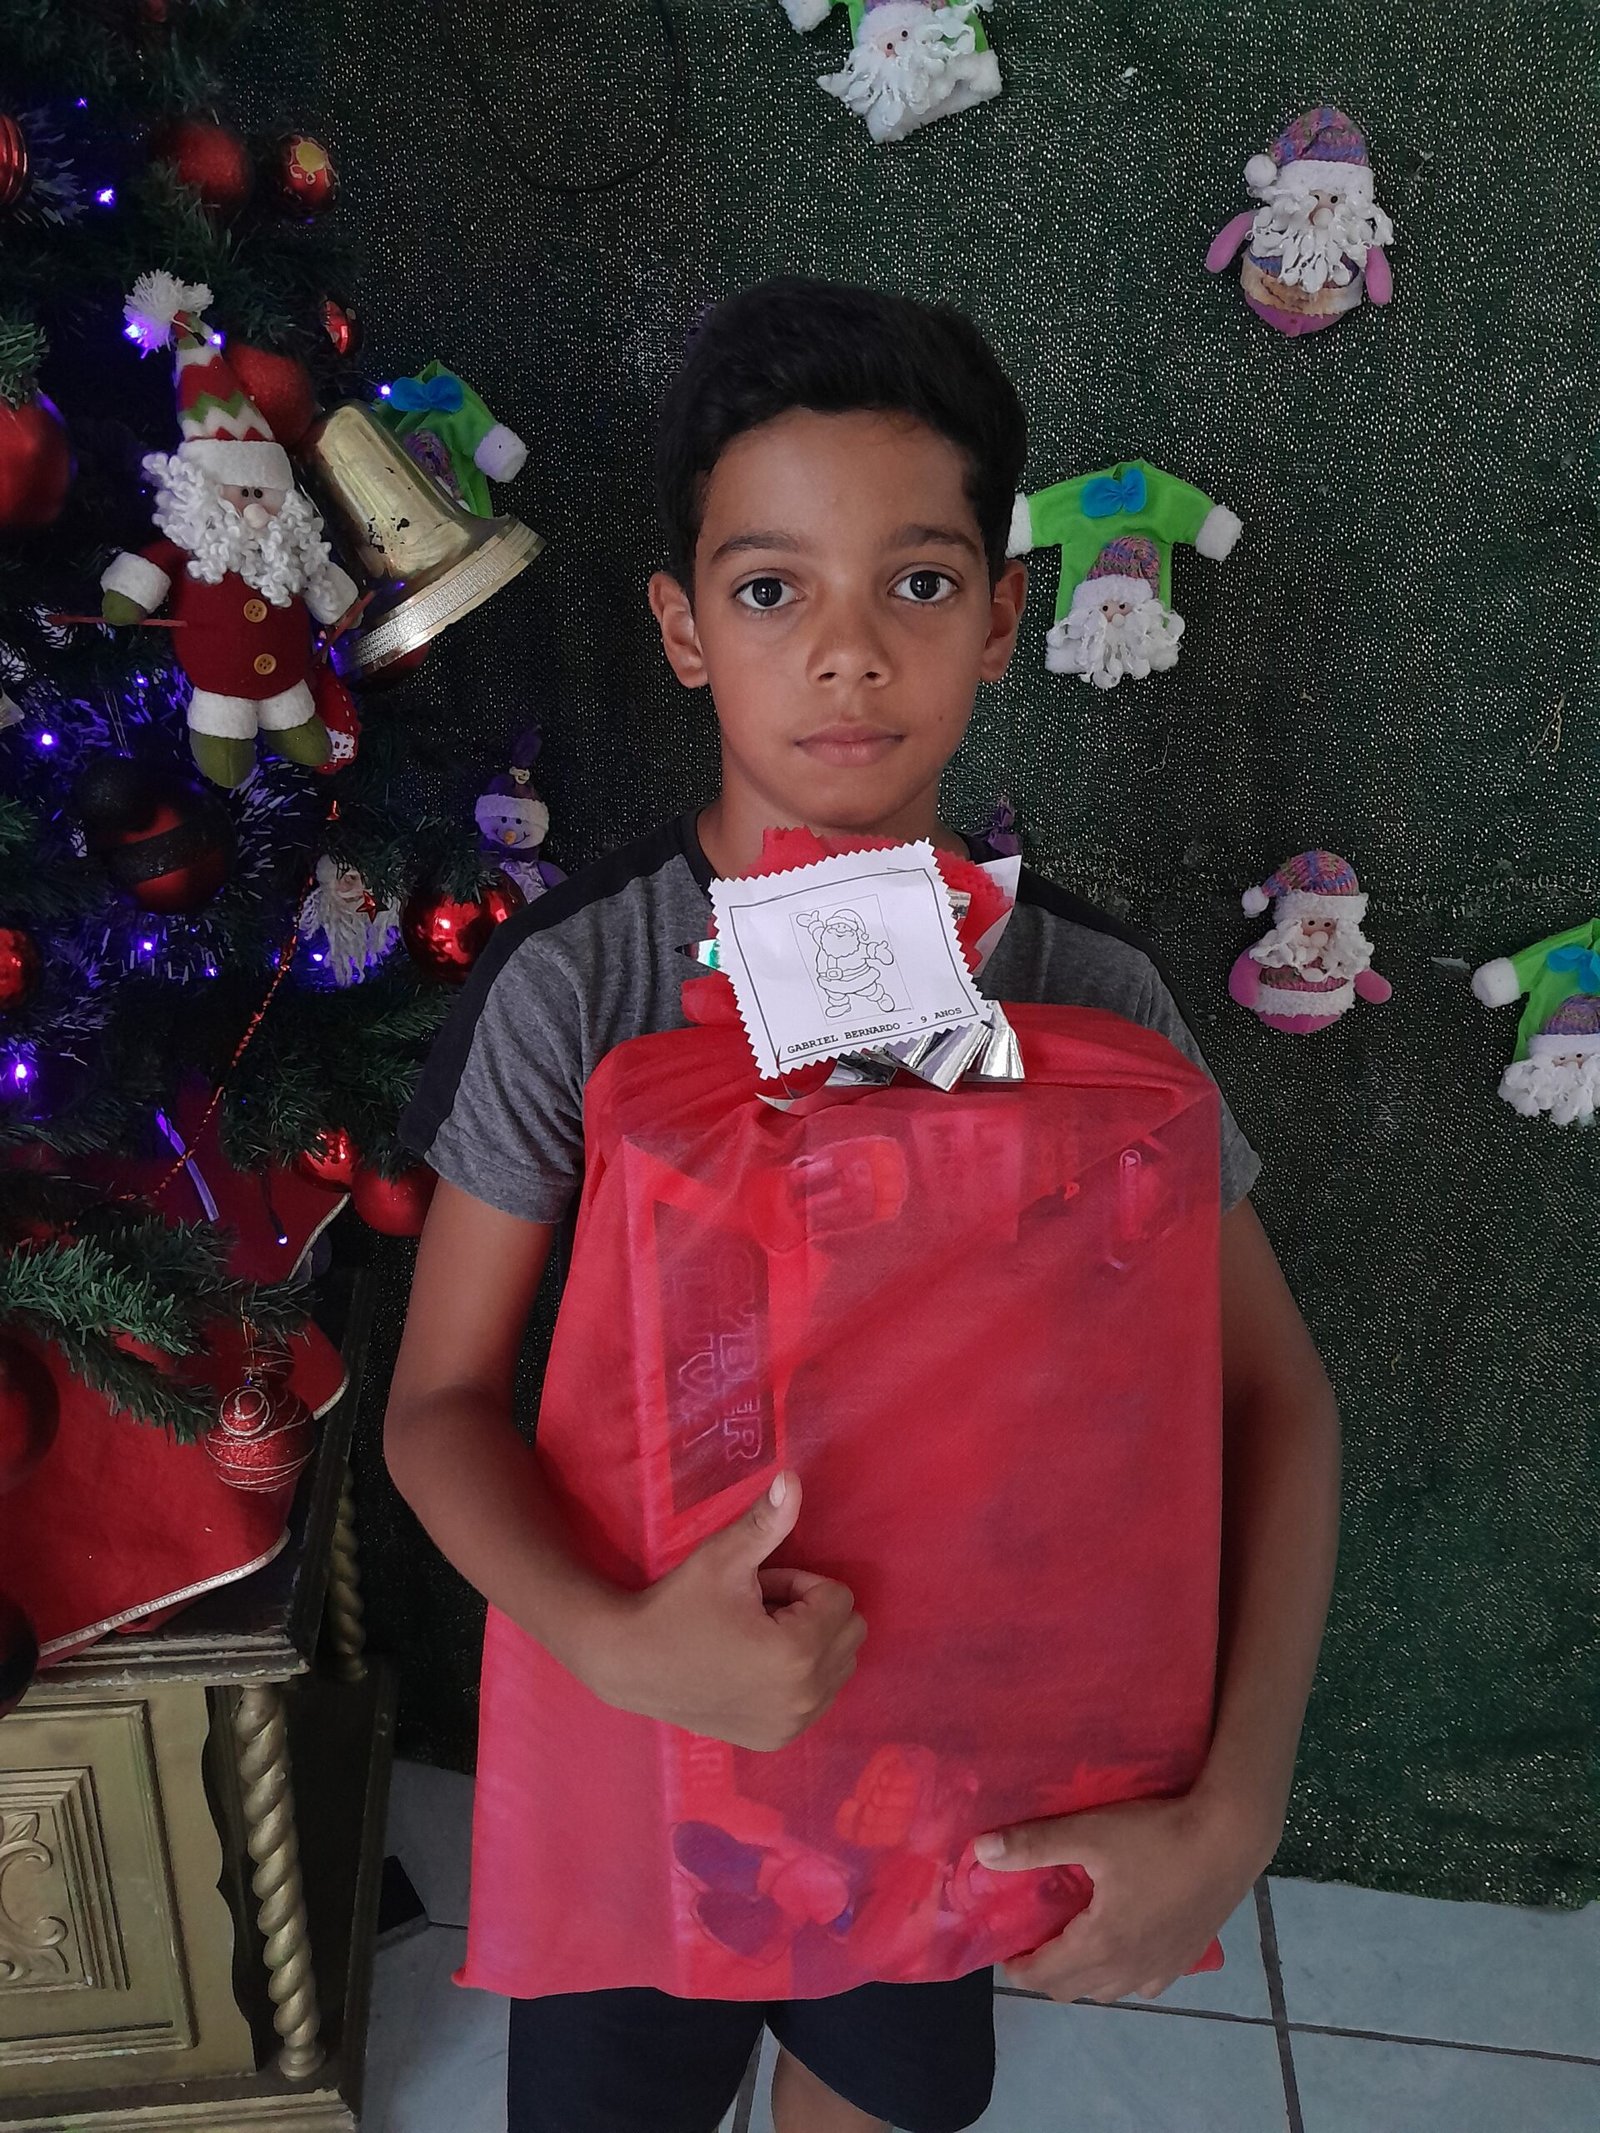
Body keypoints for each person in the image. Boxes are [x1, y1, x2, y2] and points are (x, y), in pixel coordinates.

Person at [386, 278, 1342, 2133]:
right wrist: (616, 1638)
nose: (846, 653)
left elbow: (1275, 1393)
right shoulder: (580, 986)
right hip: (645, 1745)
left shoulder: (1091, 998)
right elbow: (435, 1404)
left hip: (951, 1763)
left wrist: (1237, 1809)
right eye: (771, 589)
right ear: (682, 629)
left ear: (1001, 619)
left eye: (915, 582)